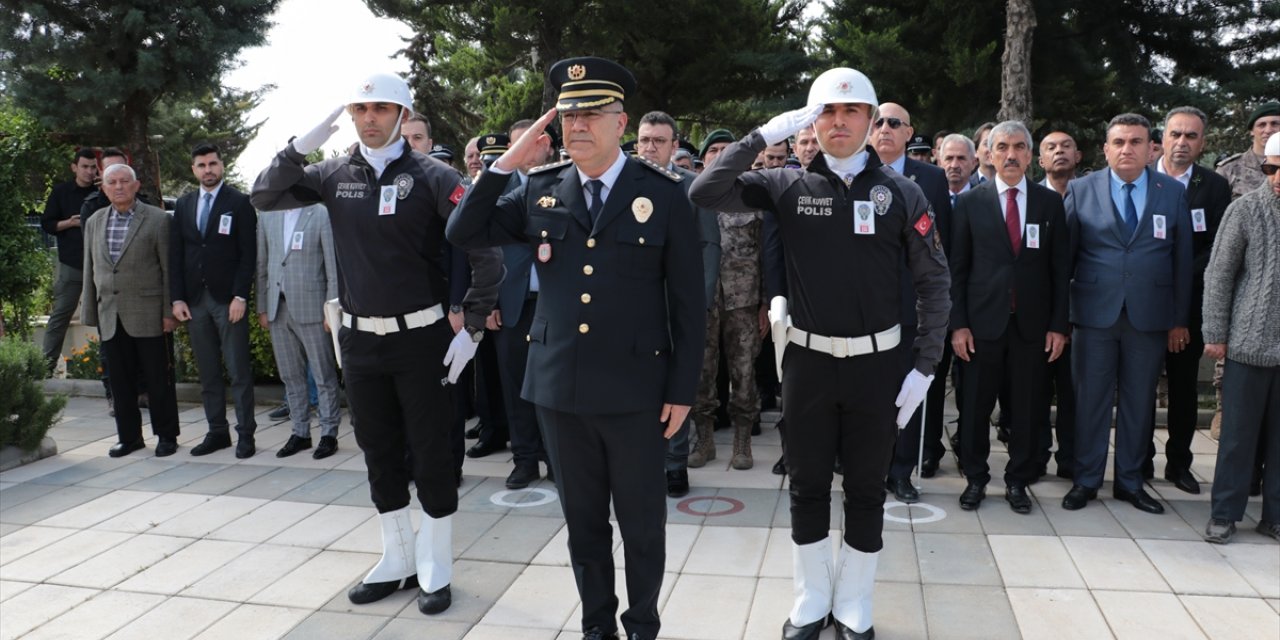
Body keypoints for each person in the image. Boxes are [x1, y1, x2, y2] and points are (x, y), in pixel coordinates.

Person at [448, 57, 704, 640]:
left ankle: (641, 625)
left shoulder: (664, 195)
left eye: (591, 114)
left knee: (642, 527)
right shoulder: (538, 189)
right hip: (560, 392)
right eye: (567, 115)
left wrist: (683, 391)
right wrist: (504, 164)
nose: (577, 126)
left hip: (639, 393)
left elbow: (689, 304)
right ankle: (597, 629)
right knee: (583, 526)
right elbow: (462, 230)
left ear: (621, 122)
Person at [691, 67, 950, 640]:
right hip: (807, 362)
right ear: (810, 120)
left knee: (865, 486)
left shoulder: (902, 193)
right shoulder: (786, 184)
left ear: (871, 120)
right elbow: (704, 191)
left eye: (851, 111)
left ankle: (855, 601)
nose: (838, 122)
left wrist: (924, 368)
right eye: (826, 113)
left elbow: (935, 283)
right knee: (806, 484)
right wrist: (762, 135)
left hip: (878, 366)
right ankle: (811, 599)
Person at [252, 72, 501, 615]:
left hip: (423, 340)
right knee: (379, 453)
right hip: (360, 342)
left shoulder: (434, 176)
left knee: (434, 454)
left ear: (402, 114)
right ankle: (398, 558)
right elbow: (264, 194)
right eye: (360, 108)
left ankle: (436, 567)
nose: (370, 118)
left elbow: (486, 254)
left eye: (382, 108)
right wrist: (299, 146)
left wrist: (474, 325)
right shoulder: (332, 173)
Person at [1063, 113, 1192, 515]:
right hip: (1093, 314)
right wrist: (1059, 320)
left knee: (1140, 402)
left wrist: (1179, 318)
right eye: (1118, 142)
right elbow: (1063, 259)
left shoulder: (1170, 192)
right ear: (1105, 148)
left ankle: (1130, 482)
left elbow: (1182, 261)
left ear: (1151, 148)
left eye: (1136, 142)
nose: (1127, 149)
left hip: (1149, 317)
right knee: (1090, 401)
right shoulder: (1081, 189)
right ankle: (1086, 480)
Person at [949, 121, 1070, 513]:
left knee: (1026, 408)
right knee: (975, 409)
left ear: (1031, 155)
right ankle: (976, 478)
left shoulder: (1049, 204)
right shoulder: (971, 202)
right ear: (989, 154)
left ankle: (1018, 480)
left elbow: (1060, 270)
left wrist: (1057, 325)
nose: (1011, 155)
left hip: (1031, 329)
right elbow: (958, 269)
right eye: (1002, 147)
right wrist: (959, 324)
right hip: (982, 327)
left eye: (1019, 147)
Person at [635, 110, 721, 495]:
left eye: (658, 141)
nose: (650, 147)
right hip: (633, 308)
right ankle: (642, 459)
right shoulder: (622, 186)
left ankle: (675, 464)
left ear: (674, 146)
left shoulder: (692, 187)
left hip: (677, 305)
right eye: (644, 140)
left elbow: (709, 245)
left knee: (679, 382)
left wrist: (697, 301)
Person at [1146, 107, 1232, 494]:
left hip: (1189, 305)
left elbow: (1216, 246)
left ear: (1202, 143)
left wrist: (1177, 276)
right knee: (1140, 385)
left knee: (1182, 389)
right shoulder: (1140, 178)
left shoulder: (1213, 187)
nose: (1182, 143)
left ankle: (1179, 464)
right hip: (1142, 301)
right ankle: (1138, 459)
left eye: (1191, 137)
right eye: (1175, 134)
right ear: (1162, 138)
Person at [873, 102, 955, 502]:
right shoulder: (853, 172)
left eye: (894, 123)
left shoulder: (933, 179)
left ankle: (901, 471)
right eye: (877, 122)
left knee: (910, 391)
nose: (884, 129)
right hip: (863, 307)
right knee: (867, 394)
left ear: (909, 132)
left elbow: (943, 247)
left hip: (912, 307)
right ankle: (867, 466)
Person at [1202, 132, 1280, 544]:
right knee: (1237, 437)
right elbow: (1219, 274)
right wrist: (1215, 332)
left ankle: (1275, 516)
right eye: (1271, 167)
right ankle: (1225, 513)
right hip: (1248, 342)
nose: (1278, 176)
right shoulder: (1245, 210)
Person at [81, 163, 181, 457]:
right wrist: (91, 312)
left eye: (125, 181)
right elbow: (90, 270)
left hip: (148, 312)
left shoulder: (158, 219)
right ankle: (130, 437)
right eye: (113, 182)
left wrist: (169, 313)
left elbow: (168, 269)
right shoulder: (95, 221)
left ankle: (166, 435)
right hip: (110, 313)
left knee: (157, 379)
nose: (119, 186)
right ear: (104, 188)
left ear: (136, 186)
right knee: (120, 380)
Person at [171, 143, 259, 458]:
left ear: (221, 165)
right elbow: (176, 254)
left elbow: (248, 255)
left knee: (238, 371)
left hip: (227, 301)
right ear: (193, 169)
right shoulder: (183, 205)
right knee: (208, 373)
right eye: (201, 165)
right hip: (195, 301)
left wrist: (240, 295)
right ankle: (217, 432)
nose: (207, 169)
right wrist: (177, 298)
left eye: (212, 164)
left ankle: (246, 434)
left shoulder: (240, 203)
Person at [689, 127, 764, 471]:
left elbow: (767, 254)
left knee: (744, 373)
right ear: (703, 159)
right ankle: (704, 440)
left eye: (726, 149)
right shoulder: (691, 197)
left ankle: (742, 441)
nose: (719, 155)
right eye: (712, 150)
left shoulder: (753, 195)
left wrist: (765, 303)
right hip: (701, 301)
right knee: (701, 374)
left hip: (744, 299)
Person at [489, 118, 555, 490]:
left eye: (533, 142)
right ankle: (525, 460)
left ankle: (555, 459)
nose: (526, 151)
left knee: (553, 386)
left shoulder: (568, 182)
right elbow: (484, 249)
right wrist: (489, 303)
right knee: (515, 386)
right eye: (517, 146)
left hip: (555, 305)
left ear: (546, 144)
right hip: (512, 303)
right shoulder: (502, 189)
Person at [256, 199, 343, 459]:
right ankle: (300, 432)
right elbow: (262, 265)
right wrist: (262, 307)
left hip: (313, 308)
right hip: (277, 309)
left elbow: (332, 266)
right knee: (290, 376)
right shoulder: (267, 214)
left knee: (323, 374)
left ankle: (329, 433)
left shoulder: (320, 213)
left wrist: (331, 308)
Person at [1035, 131, 1082, 479]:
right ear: (1040, 160)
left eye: (1066, 146)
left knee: (1073, 392)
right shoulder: (1031, 199)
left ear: (1078, 155)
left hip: (1083, 313)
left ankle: (1070, 459)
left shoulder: (1093, 196)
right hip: (1037, 314)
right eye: (1051, 147)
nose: (1059, 152)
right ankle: (1036, 457)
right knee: (1035, 392)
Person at [40, 147, 99, 374]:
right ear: (74, 167)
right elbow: (47, 224)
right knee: (61, 316)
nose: (89, 172)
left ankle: (114, 373)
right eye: (85, 166)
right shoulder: (61, 192)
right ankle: (44, 370)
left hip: (102, 265)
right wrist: (70, 223)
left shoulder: (103, 191)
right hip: (72, 264)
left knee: (107, 318)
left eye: (93, 167)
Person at [1038, 131, 1082, 197]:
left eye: (1066, 146)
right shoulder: (1031, 196)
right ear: (1041, 162)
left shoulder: (1093, 190)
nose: (1059, 150)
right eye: (1051, 148)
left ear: (1077, 156)